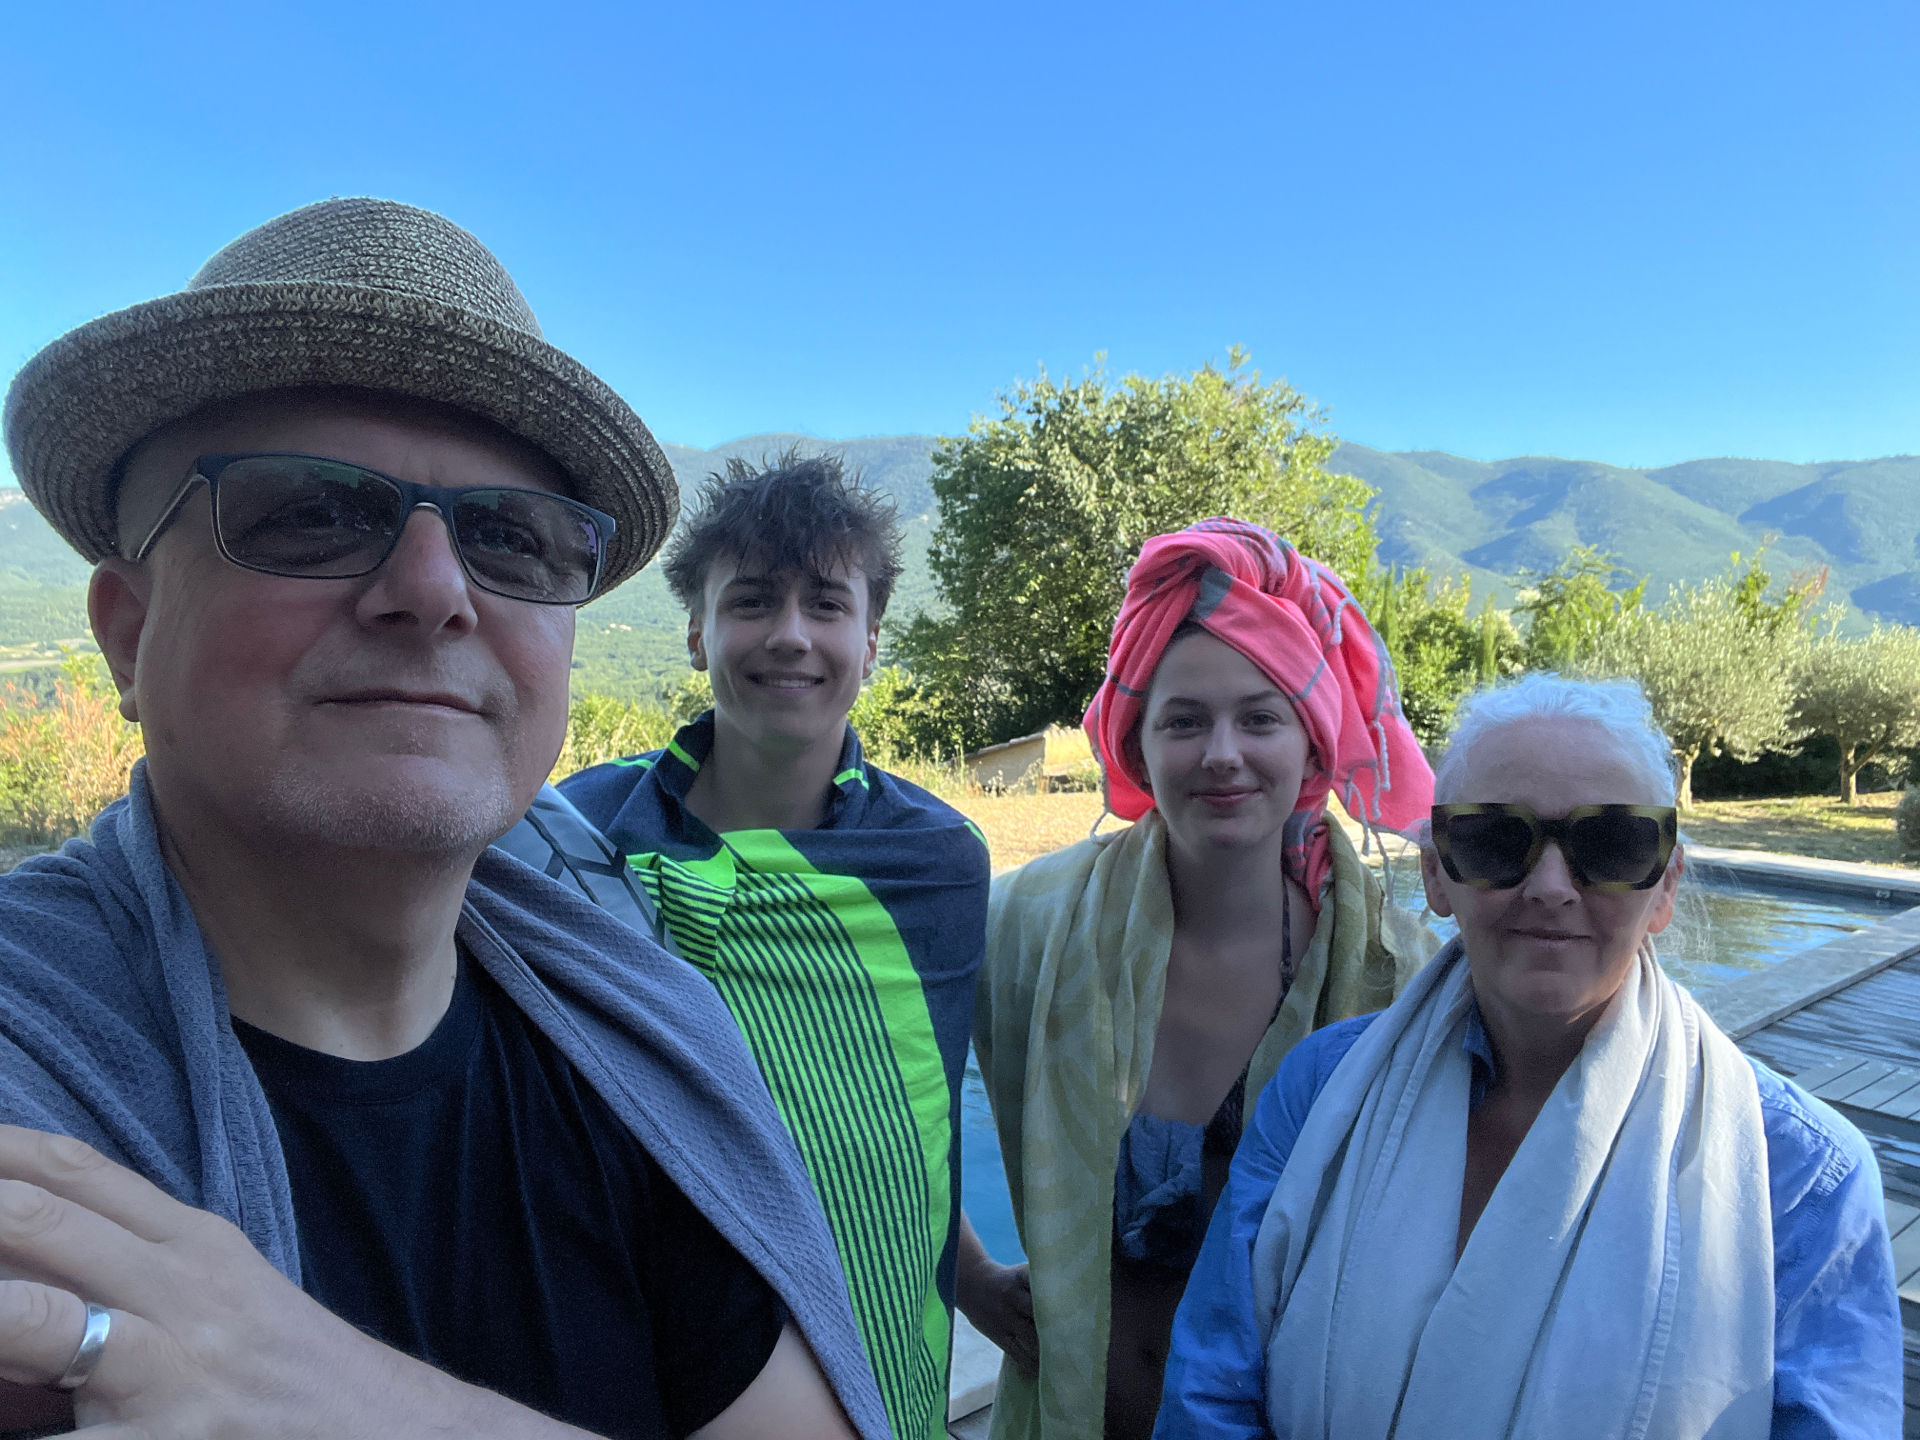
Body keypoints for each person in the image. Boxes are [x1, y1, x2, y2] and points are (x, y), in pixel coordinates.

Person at [0, 198, 885, 1440]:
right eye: (312, 511)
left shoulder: (649, 1043)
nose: (432, 591)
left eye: (511, 538)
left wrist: (365, 1407)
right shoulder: (29, 1071)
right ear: (127, 633)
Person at [1156, 674, 1903, 1440]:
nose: (1550, 888)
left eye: (1610, 844)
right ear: (1435, 873)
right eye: (1494, 839)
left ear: (1665, 885)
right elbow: (1211, 1393)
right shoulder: (1319, 1089)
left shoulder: (1801, 1180)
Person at [963, 518, 1438, 1440]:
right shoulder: (1028, 925)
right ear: (1137, 747)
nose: (1223, 752)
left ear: (1312, 746)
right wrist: (970, 1277)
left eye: (1260, 718)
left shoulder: (1395, 978)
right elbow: (872, 1091)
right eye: (1184, 721)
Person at [551, 451, 991, 1440]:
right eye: (752, 601)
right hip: (641, 1346)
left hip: (884, 1347)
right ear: (697, 632)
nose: (790, 634)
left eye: (825, 605)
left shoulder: (937, 866)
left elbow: (915, 1121)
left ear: (870, 642)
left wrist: (976, 1278)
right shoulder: (576, 841)